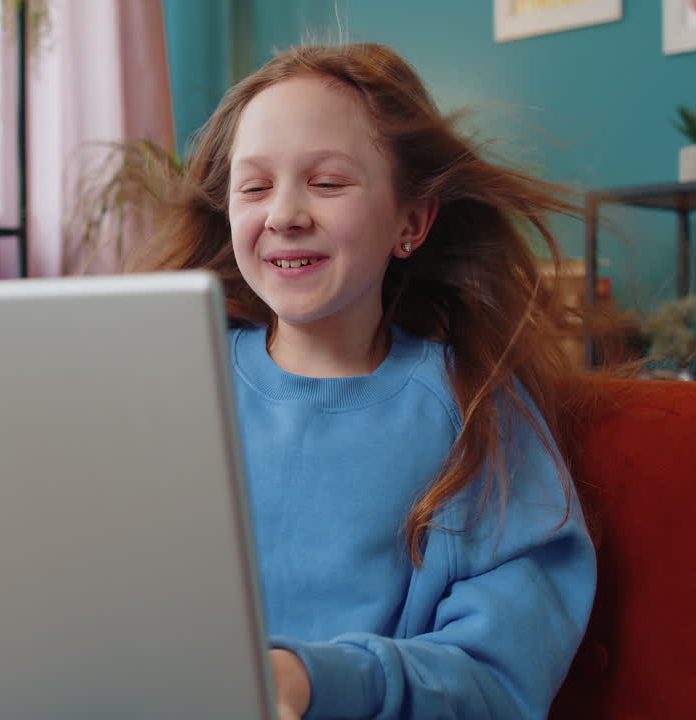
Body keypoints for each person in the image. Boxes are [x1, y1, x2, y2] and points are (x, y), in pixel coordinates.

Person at [133, 42, 598, 719]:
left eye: (326, 182)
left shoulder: (476, 410)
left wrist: (311, 681)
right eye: (255, 186)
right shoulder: (173, 385)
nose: (284, 214)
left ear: (410, 221)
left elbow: (500, 679)